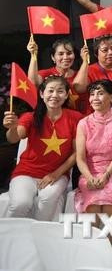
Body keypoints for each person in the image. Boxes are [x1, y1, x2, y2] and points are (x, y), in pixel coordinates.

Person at [2, 76, 81, 219]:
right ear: (41, 94)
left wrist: (55, 174)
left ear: (66, 95)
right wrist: (12, 128)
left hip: (57, 174)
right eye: (50, 91)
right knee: (21, 203)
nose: (55, 95)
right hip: (26, 172)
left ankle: (38, 235)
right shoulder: (30, 117)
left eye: (60, 91)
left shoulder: (75, 118)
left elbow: (77, 152)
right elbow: (13, 138)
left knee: (48, 199)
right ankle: (9, 235)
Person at [74, 79, 112, 215]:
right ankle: (94, 237)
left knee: (108, 204)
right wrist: (89, 177)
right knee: (92, 206)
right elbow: (80, 158)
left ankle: (108, 237)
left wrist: (106, 175)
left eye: (100, 94)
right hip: (90, 172)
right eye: (92, 94)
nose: (95, 98)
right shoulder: (83, 123)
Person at [73, 35, 112, 115]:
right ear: (96, 53)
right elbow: (79, 88)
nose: (110, 53)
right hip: (95, 119)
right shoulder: (89, 70)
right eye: (105, 50)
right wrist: (84, 61)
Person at [26, 38, 80, 110]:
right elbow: (32, 83)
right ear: (53, 57)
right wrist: (33, 55)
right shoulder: (45, 74)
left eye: (69, 53)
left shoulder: (80, 76)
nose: (65, 57)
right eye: (60, 54)